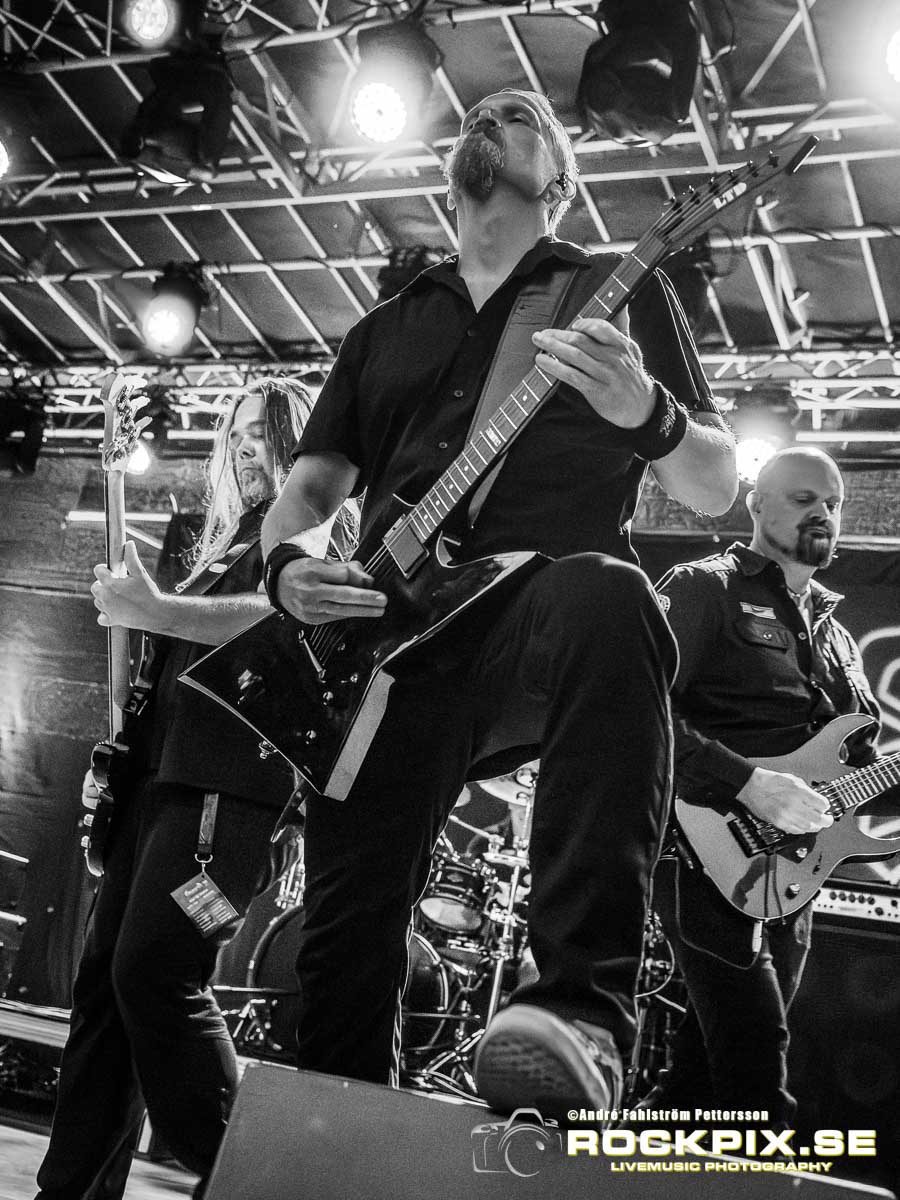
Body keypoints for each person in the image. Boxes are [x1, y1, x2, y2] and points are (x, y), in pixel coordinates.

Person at [260, 88, 737, 1121]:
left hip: (536, 614)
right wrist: (288, 570)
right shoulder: (387, 326)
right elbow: (307, 494)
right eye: (481, 110)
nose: (493, 109)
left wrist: (644, 411)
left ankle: (578, 1017)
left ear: (559, 180)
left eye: (522, 114)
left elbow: (715, 486)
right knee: (346, 935)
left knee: (610, 594)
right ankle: (336, 1137)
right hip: (390, 643)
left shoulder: (613, 287)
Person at [35, 378, 345, 1200]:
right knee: (105, 991)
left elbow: (287, 621)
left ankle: (251, 1181)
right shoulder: (223, 544)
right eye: (234, 436)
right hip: (158, 783)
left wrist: (158, 610)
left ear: (300, 444)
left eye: (262, 433)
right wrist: (120, 753)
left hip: (225, 794)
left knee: (156, 974)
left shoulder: (303, 533)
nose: (244, 450)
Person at [651, 446, 882, 1126]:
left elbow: (857, 772)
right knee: (757, 1060)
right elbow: (638, 709)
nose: (823, 513)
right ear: (754, 503)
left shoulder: (839, 639)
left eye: (834, 504)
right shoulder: (705, 588)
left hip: (792, 873)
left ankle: (623, 1162)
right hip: (702, 851)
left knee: (700, 1074)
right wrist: (748, 783)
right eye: (804, 498)